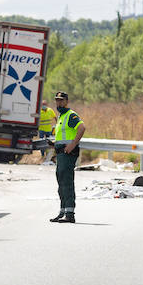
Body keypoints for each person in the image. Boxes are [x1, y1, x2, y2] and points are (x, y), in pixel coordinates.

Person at [49, 91, 86, 223]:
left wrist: (73, 144)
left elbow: (82, 128)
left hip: (68, 153)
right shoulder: (61, 116)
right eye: (57, 100)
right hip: (60, 153)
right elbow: (63, 136)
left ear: (66, 101)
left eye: (61, 100)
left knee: (66, 182)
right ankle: (63, 211)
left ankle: (70, 214)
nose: (58, 102)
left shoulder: (71, 115)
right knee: (61, 182)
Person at [37, 100, 56, 164]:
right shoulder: (39, 111)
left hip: (48, 130)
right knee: (41, 143)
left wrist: (58, 124)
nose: (44, 106)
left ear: (47, 105)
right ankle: (42, 155)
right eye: (42, 104)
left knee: (49, 144)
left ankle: (48, 155)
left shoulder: (50, 110)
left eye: (45, 104)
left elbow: (55, 117)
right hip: (41, 130)